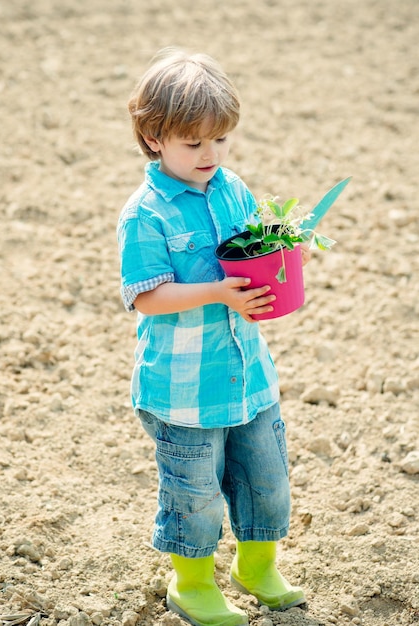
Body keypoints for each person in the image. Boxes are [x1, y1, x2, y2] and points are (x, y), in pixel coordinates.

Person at [117, 48, 308, 626]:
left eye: (220, 140)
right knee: (193, 493)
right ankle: (192, 581)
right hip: (182, 387)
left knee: (266, 479)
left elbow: (249, 257)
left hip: (248, 373)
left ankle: (256, 567)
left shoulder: (232, 189)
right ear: (154, 138)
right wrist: (221, 292)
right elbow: (146, 295)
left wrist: (277, 253)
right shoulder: (145, 214)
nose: (211, 155)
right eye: (193, 143)